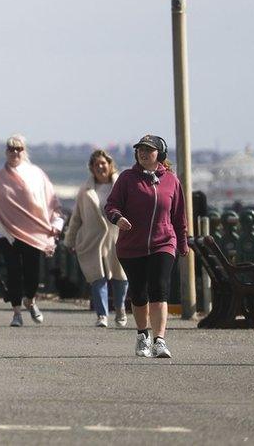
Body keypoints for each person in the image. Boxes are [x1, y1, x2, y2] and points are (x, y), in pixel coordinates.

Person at [105, 135, 188, 359]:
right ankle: (143, 335)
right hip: (132, 246)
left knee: (159, 288)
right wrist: (117, 218)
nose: (143, 153)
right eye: (140, 150)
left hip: (164, 242)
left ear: (159, 155)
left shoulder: (171, 180)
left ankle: (159, 340)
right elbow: (111, 205)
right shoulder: (127, 178)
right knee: (139, 293)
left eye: (148, 150)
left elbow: (179, 215)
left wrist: (182, 242)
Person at [0, 135, 64, 327]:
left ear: (24, 151)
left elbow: (50, 200)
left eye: (18, 149)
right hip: (6, 233)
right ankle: (16, 311)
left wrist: (55, 223)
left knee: (32, 273)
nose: (15, 152)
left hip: (33, 231)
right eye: (11, 149)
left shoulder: (36, 174)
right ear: (6, 152)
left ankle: (30, 300)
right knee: (13, 271)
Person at [65, 149, 129, 328]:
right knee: (97, 277)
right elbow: (76, 217)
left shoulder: (121, 185)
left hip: (117, 236)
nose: (100, 167)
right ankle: (102, 315)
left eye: (103, 163)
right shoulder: (85, 190)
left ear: (110, 165)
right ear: (92, 168)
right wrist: (69, 241)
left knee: (121, 277)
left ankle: (121, 309)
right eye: (96, 164)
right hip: (93, 240)